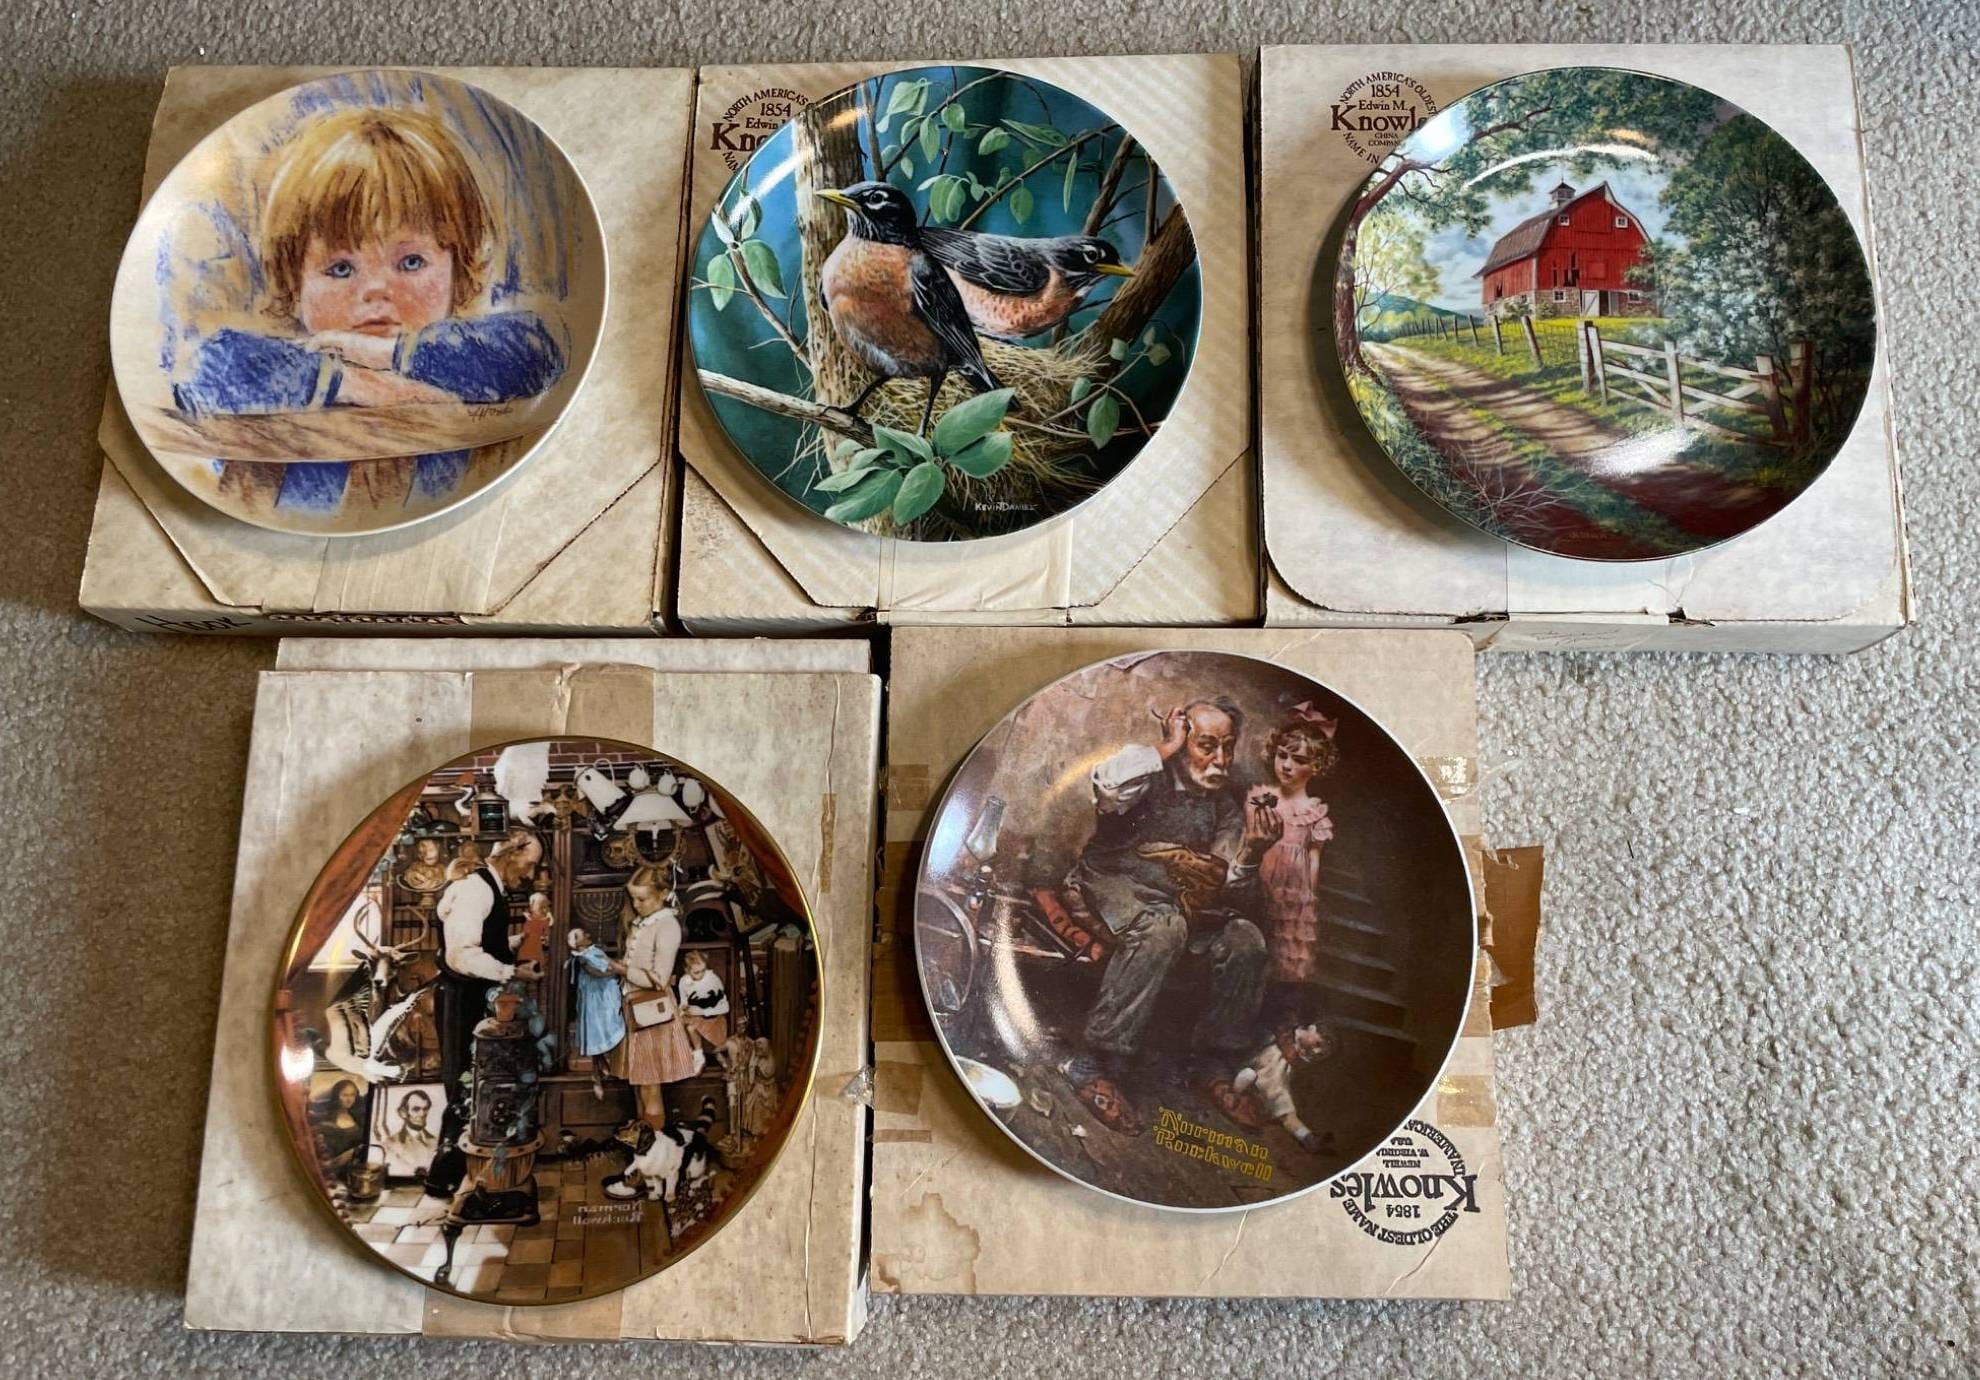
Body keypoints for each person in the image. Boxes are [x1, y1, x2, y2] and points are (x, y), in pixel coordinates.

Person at [169, 106, 566, 514]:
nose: (376, 290)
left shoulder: (465, 361)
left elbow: (539, 352)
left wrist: (389, 354)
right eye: (341, 268)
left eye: (410, 262)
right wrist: (356, 384)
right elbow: (202, 371)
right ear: (294, 284)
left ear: (458, 271)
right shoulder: (286, 369)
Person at [1060, 697, 1282, 1134]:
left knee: (1246, 939)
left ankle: (1211, 1063)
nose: (1221, 760)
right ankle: (1094, 1063)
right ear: (1182, 742)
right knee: (1163, 928)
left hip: (1179, 900)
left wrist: (1253, 853)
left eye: (1228, 747)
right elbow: (1107, 787)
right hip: (1113, 882)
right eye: (1207, 745)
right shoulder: (1147, 777)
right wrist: (1167, 746)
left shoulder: (1225, 810)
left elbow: (1227, 884)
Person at [419, 826, 543, 1209]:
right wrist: (510, 971)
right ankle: (445, 1180)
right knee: (464, 1086)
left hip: (473, 995)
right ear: (511, 854)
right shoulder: (476, 889)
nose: (530, 874)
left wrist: (516, 944)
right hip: (463, 998)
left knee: (476, 1086)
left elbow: (484, 944)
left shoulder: (489, 887)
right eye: (529, 864)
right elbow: (461, 955)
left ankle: (464, 1176)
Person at [1256, 704, 1339, 990]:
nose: (1286, 765)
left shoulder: (1313, 812)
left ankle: (1271, 1000)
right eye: (1282, 755)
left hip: (1291, 885)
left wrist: (1308, 895)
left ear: (1316, 766)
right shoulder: (1262, 797)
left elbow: (1314, 857)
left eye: (1299, 759)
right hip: (1259, 874)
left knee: (1279, 947)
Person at [618, 867, 700, 1127]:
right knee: (639, 1083)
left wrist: (619, 969)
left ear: (663, 894)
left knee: (649, 1085)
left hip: (653, 1012)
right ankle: (645, 1139)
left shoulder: (667, 925)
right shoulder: (642, 922)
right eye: (633, 898)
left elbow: (659, 979)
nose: (636, 904)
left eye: (642, 899)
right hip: (634, 1007)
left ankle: (655, 1142)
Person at [567, 925, 628, 1099]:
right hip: (594, 1001)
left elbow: (609, 963)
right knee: (596, 1034)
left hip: (607, 998)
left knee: (611, 1029)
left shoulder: (595, 951)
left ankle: (609, 1067)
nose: (587, 934)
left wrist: (617, 968)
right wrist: (617, 970)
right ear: (578, 944)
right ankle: (597, 1076)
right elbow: (598, 971)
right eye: (582, 935)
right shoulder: (581, 959)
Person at [675, 949, 730, 1054]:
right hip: (694, 1016)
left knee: (691, 1028)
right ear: (687, 970)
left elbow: (725, 1008)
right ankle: (689, 1055)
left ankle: (699, 1055)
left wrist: (701, 1012)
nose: (701, 975)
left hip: (713, 1018)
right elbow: (684, 1001)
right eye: (696, 972)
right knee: (677, 1025)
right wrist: (683, 1008)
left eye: (703, 970)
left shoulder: (713, 980)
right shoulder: (684, 981)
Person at [309, 1078, 367, 1173]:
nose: (349, 1099)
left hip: (354, 1169)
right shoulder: (325, 1119)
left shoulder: (358, 1118)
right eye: (345, 1095)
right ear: (337, 1096)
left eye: (352, 1095)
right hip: (330, 1168)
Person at [379, 1087, 439, 1176]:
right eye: (416, 1109)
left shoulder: (437, 1141)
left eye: (425, 1108)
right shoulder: (390, 1143)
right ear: (403, 1113)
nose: (422, 1114)